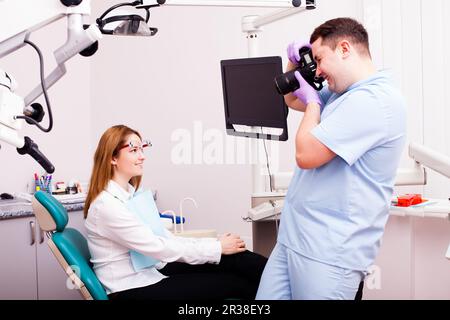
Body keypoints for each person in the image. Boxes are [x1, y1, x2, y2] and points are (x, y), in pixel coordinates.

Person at [256, 17, 407, 300]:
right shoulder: (343, 93)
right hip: (295, 240)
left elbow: (306, 154)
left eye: (320, 59)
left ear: (345, 48)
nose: (319, 70)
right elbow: (291, 99)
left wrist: (313, 101)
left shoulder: (374, 100)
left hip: (329, 253)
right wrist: (294, 62)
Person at [84, 125, 267, 300]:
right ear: (112, 158)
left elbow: (164, 238)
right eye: (133, 150)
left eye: (142, 149)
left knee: (237, 259)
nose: (142, 156)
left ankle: (286, 278)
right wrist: (217, 248)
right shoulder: (107, 206)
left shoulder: (130, 196)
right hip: (131, 288)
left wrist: (215, 244)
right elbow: (158, 247)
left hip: (152, 271)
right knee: (236, 283)